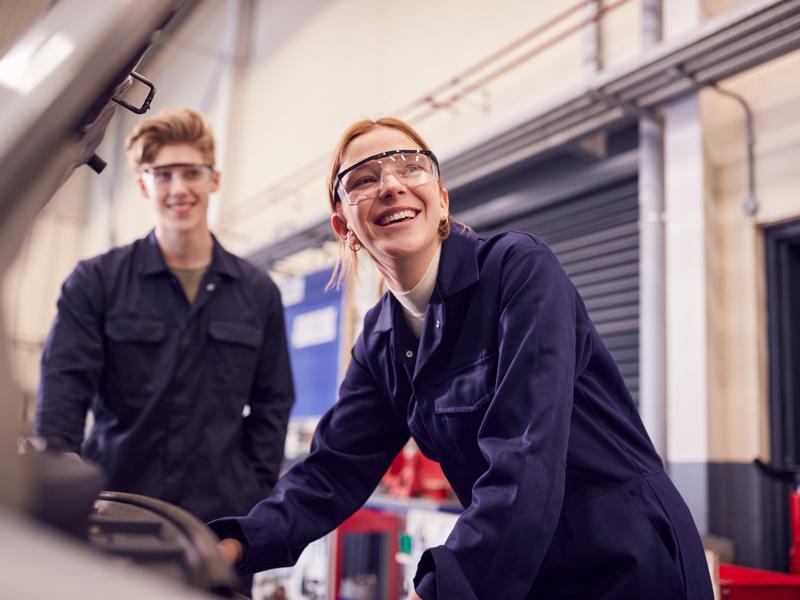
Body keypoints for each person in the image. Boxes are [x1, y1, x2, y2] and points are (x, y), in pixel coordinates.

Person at [210, 117, 713, 600]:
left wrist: (440, 590)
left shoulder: (517, 269)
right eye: (363, 179)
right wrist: (232, 546)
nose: (392, 185)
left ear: (442, 200)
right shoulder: (381, 340)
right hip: (523, 572)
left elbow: (526, 453)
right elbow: (331, 472)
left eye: (411, 167)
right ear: (345, 227)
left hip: (625, 558)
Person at [35, 107, 295, 523]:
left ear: (214, 179)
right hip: (111, 510)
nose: (179, 188)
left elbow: (273, 404)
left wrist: (252, 490)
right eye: (163, 175)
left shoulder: (257, 292)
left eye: (191, 173)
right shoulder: (97, 282)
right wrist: (64, 488)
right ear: (143, 184)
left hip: (217, 521)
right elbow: (63, 391)